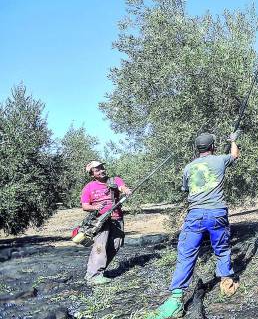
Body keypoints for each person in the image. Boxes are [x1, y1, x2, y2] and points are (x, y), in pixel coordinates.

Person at [148, 131, 240, 319]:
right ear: (213, 147)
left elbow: (186, 188)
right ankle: (227, 284)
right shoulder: (220, 160)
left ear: (196, 149)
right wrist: (232, 141)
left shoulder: (188, 168)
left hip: (195, 215)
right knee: (221, 248)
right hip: (217, 213)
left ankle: (175, 299)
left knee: (186, 253)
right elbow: (235, 155)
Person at [81, 160, 132, 285]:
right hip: (100, 221)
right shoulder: (89, 187)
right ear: (92, 174)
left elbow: (121, 187)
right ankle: (93, 275)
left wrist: (126, 190)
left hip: (116, 217)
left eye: (102, 167)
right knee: (100, 246)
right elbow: (85, 206)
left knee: (116, 244)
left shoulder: (114, 180)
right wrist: (96, 207)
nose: (101, 170)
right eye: (97, 170)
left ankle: (100, 270)